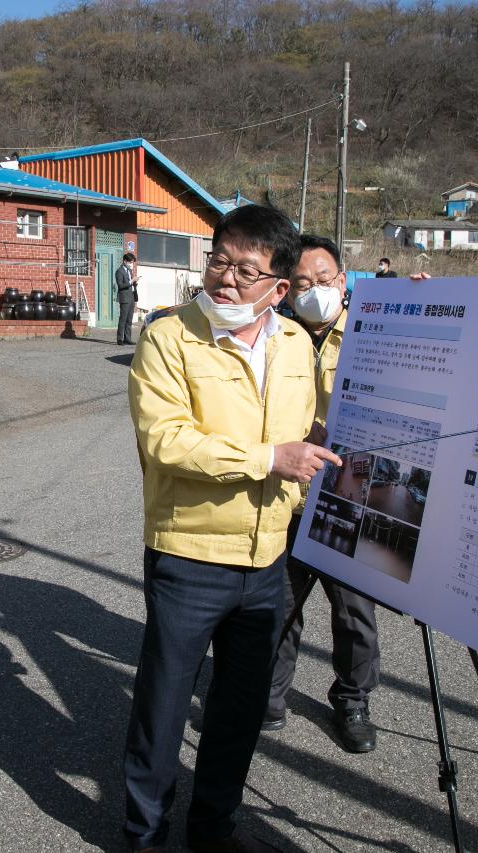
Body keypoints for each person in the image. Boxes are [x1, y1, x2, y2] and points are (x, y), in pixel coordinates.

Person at [122, 205, 342, 853]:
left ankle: (212, 826)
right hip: (188, 555)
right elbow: (166, 441)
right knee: (162, 709)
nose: (225, 278)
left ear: (280, 287)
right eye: (219, 259)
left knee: (238, 712)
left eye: (246, 270)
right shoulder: (168, 337)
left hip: (269, 560)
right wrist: (269, 458)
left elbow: (317, 420)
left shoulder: (298, 344)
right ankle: (143, 834)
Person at [266, 234, 382, 754]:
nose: (316, 291)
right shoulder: (273, 333)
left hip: (349, 495)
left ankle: (353, 698)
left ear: (344, 279)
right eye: (304, 283)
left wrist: (423, 303)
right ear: (288, 289)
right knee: (280, 605)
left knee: (353, 609)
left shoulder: (372, 328)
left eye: (326, 279)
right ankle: (269, 695)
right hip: (290, 494)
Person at [116, 252, 139, 345]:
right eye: (130, 262)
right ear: (125, 261)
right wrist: (131, 281)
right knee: (123, 319)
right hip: (124, 297)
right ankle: (120, 339)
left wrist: (134, 283)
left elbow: (130, 283)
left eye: (132, 262)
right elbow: (120, 285)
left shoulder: (129, 271)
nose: (131, 264)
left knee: (129, 320)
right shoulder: (119, 271)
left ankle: (127, 338)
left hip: (132, 296)